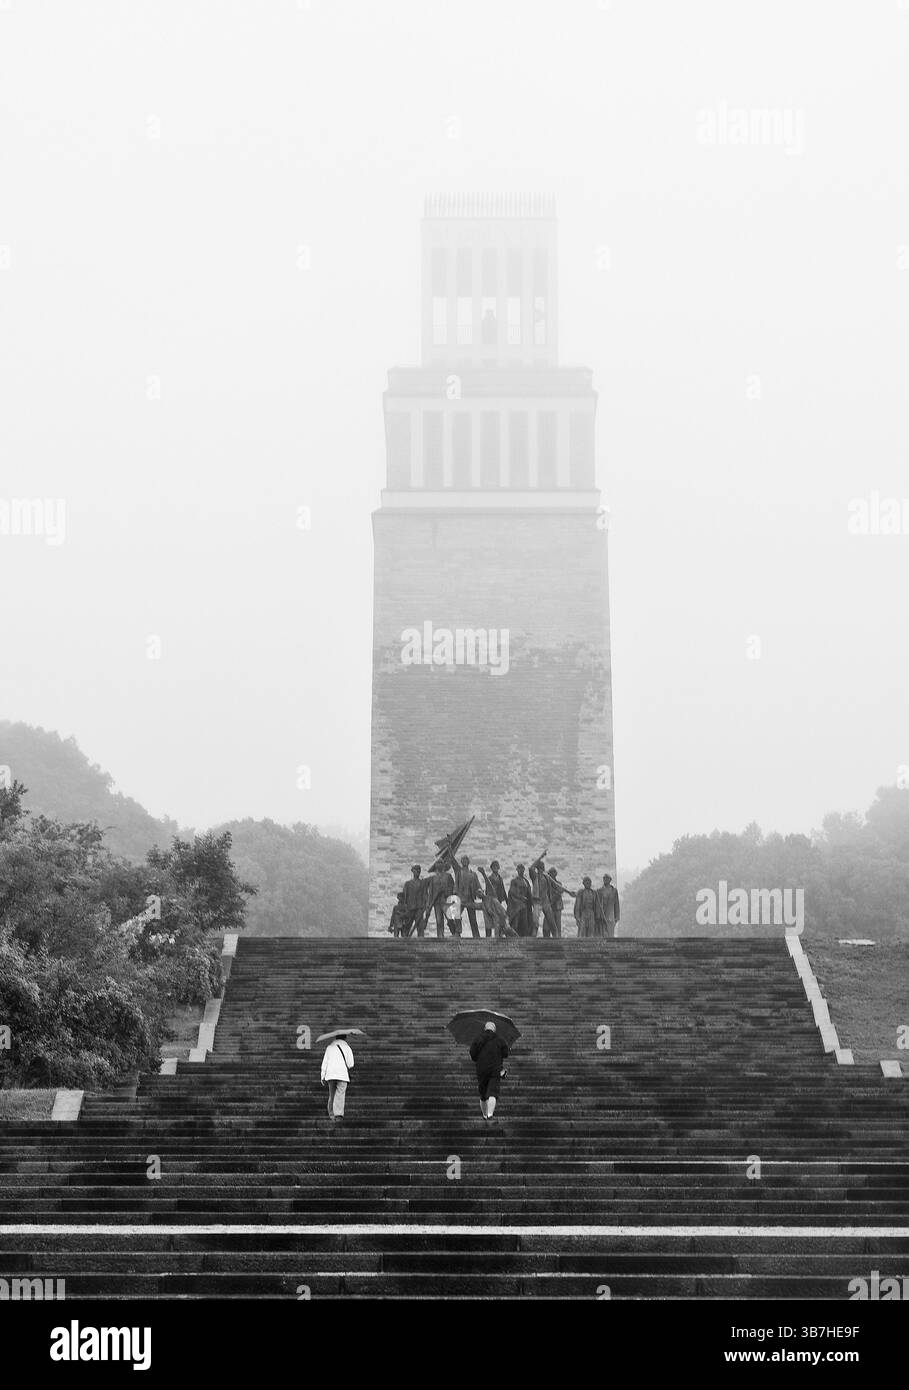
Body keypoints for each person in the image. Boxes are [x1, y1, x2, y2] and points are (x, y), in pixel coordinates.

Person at [469, 1020, 509, 1121]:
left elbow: (472, 1053)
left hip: (481, 1069)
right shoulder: (500, 1039)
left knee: (483, 1094)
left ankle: (484, 1114)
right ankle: (490, 1114)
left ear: (485, 1029)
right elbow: (505, 1054)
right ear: (494, 1029)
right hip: (495, 1069)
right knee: (493, 1092)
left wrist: (478, 1059)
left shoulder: (478, 1039)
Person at [320, 1033, 355, 1121]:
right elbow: (351, 1064)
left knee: (332, 1095)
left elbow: (324, 1063)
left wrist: (322, 1076)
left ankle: (331, 1114)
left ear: (335, 1038)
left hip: (330, 1074)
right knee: (340, 1094)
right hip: (342, 1074)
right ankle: (338, 1115)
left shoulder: (329, 1048)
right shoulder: (347, 1048)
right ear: (345, 1038)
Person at [477, 863, 513, 938]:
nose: (495, 868)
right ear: (491, 868)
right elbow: (488, 887)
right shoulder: (490, 878)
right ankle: (490, 936)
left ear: (498, 868)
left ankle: (500, 934)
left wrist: (507, 901)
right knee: (490, 919)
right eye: (493, 867)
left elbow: (503, 890)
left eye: (496, 867)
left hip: (498, 900)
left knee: (499, 918)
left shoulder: (500, 878)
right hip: (491, 898)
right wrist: (487, 899)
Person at [422, 862, 454, 939]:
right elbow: (430, 891)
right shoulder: (433, 878)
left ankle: (455, 933)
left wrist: (446, 891)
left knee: (450, 919)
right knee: (439, 920)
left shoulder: (448, 876)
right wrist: (428, 903)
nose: (439, 865)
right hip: (436, 901)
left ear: (443, 865)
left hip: (446, 901)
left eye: (441, 863)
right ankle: (440, 936)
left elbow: (452, 887)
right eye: (437, 863)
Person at [455, 855, 483, 939]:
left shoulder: (473, 874)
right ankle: (458, 932)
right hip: (461, 898)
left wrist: (480, 892)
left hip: (470, 898)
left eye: (466, 860)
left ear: (468, 862)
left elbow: (478, 886)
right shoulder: (459, 872)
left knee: (472, 918)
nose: (464, 862)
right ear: (461, 862)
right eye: (463, 860)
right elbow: (456, 885)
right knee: (457, 915)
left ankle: (476, 935)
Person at [507, 863, 535, 937]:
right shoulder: (514, 881)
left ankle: (524, 939)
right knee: (516, 923)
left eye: (522, 869)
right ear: (517, 870)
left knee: (525, 924)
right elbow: (511, 892)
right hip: (517, 906)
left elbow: (529, 894)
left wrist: (532, 903)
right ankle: (514, 938)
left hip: (525, 905)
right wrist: (520, 897)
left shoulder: (526, 881)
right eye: (519, 869)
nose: (521, 871)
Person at [595, 873, 620, 939]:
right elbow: (597, 904)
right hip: (602, 914)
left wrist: (617, 916)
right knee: (602, 933)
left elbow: (616, 904)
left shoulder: (614, 891)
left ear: (610, 880)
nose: (605, 880)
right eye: (604, 878)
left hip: (611, 915)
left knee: (610, 933)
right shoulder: (599, 891)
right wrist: (597, 915)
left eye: (607, 878)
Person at [403, 865, 425, 937]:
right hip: (410, 907)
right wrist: (405, 907)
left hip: (419, 907)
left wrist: (425, 906)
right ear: (413, 871)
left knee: (420, 927)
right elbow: (404, 896)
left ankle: (421, 942)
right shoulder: (408, 884)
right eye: (416, 870)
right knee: (407, 925)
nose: (418, 871)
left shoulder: (423, 883)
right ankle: (404, 940)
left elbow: (425, 895)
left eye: (419, 870)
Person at [546, 867, 564, 938]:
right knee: (548, 925)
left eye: (553, 873)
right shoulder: (547, 884)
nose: (552, 874)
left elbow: (560, 892)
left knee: (558, 924)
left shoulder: (559, 883)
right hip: (549, 906)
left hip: (557, 906)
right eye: (551, 873)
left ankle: (558, 938)